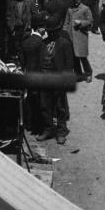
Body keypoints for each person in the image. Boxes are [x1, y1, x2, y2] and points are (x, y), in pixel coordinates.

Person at [38, 14, 73, 144]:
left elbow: (69, 65)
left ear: (58, 30)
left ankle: (61, 131)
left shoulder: (64, 43)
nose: (51, 33)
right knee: (45, 105)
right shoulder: (44, 43)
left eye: (53, 31)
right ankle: (48, 129)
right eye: (49, 31)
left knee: (60, 107)